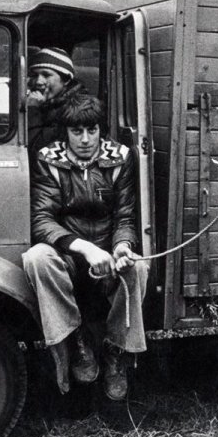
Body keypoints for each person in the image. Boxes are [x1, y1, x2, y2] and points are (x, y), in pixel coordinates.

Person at [22, 92, 146, 400]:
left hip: (108, 252)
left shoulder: (120, 157)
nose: (86, 139)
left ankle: (115, 352)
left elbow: (126, 215)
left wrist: (121, 246)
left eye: (92, 130)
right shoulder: (48, 159)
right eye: (77, 131)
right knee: (37, 257)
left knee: (138, 266)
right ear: (65, 132)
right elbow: (41, 220)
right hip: (70, 255)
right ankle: (75, 340)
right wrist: (85, 249)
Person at [27, 46, 85, 157]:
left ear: (66, 80)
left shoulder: (74, 110)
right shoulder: (50, 103)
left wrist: (33, 109)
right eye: (35, 75)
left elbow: (36, 151)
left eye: (46, 75)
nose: (38, 82)